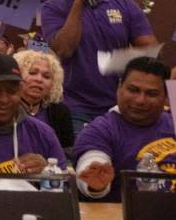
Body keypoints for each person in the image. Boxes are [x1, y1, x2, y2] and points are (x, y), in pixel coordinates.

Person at [41, 0, 157, 135]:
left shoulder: (124, 5)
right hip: (76, 108)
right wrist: (78, 1)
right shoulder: (53, 8)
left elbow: (151, 52)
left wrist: (111, 62)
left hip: (119, 107)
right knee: (85, 162)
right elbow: (64, 49)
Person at [72, 57, 174, 202]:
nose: (140, 100)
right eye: (133, 90)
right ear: (119, 87)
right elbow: (92, 161)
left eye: (151, 94)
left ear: (165, 97)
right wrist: (96, 184)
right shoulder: (101, 130)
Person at [14, 50, 74, 150]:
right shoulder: (5, 108)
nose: (39, 79)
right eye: (32, 73)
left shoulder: (60, 112)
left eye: (46, 76)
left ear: (53, 83)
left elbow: (67, 152)